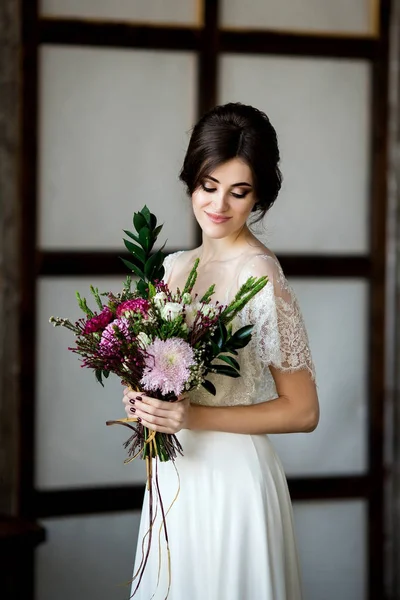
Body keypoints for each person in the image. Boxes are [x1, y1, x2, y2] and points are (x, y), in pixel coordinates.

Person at [122, 102, 319, 600]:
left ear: (260, 197)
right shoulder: (173, 268)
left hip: (234, 481)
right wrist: (140, 397)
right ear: (192, 179)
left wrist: (189, 417)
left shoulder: (259, 274)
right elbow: (159, 370)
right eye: (209, 187)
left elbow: (304, 410)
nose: (219, 206)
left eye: (239, 192)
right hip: (173, 476)